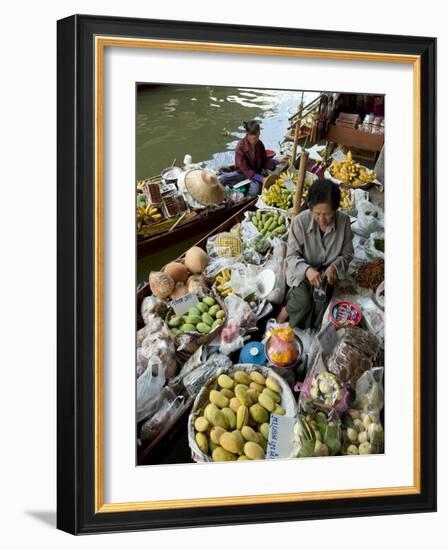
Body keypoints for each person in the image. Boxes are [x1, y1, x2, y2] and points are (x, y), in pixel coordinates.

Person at [279, 179, 354, 329]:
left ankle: (309, 331)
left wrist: (334, 267)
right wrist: (307, 270)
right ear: (310, 209)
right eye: (317, 214)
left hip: (327, 273)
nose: (322, 219)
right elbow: (292, 256)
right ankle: (285, 313)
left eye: (327, 214)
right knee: (303, 301)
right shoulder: (300, 221)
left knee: (321, 304)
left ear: (335, 209)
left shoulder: (344, 221)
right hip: (302, 271)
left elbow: (347, 254)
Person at [219, 120, 277, 196]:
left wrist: (277, 161)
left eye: (259, 136)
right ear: (247, 135)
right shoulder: (240, 147)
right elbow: (246, 170)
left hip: (256, 173)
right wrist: (262, 179)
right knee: (223, 179)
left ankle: (245, 198)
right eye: (255, 137)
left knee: (254, 191)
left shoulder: (259, 144)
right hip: (242, 173)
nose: (257, 139)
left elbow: (264, 161)